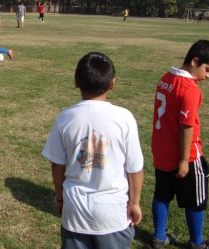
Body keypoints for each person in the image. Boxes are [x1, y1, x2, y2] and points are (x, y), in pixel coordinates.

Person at [42, 52, 144, 249]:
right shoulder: (124, 118)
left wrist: (60, 198)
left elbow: (57, 165)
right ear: (112, 83)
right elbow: (135, 168)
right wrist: (134, 202)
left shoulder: (65, 118)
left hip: (75, 212)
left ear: (76, 82)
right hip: (114, 214)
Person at [151, 40, 209, 249]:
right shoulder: (190, 89)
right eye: (207, 70)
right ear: (195, 61)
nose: (207, 76)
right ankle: (197, 242)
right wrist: (183, 160)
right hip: (186, 156)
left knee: (162, 194)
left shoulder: (165, 78)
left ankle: (159, 237)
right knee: (195, 200)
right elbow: (186, 127)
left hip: (162, 151)